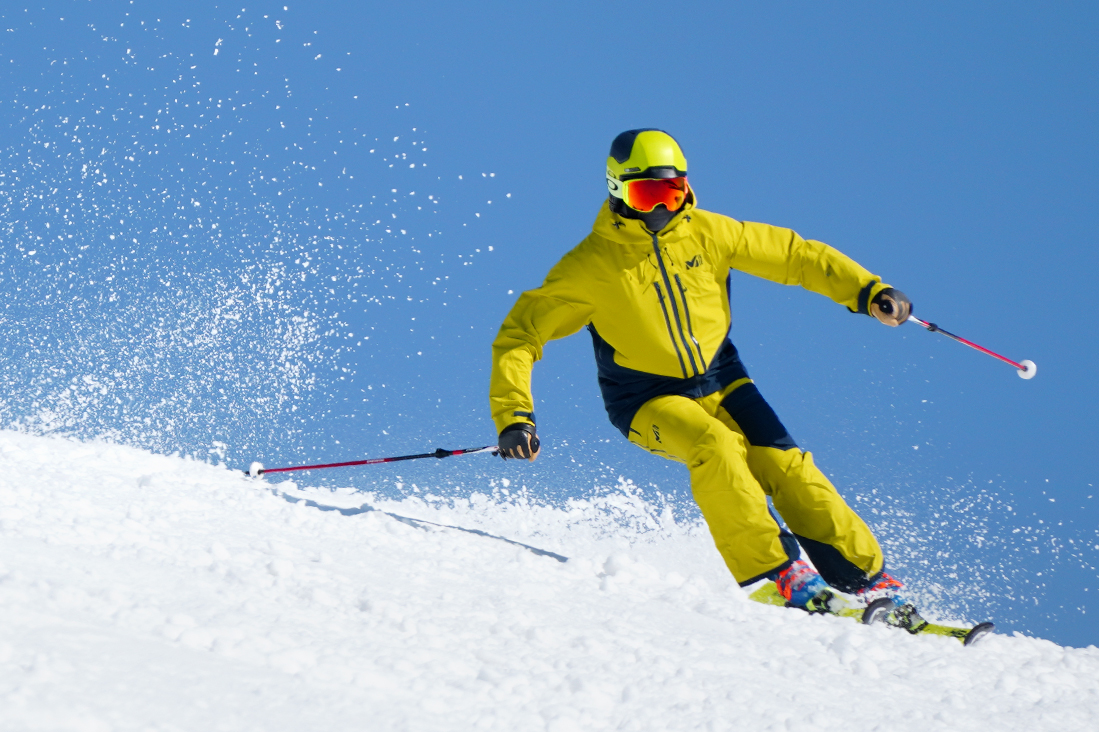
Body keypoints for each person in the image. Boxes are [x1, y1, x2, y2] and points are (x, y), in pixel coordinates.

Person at [489, 129, 912, 611]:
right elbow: (519, 337)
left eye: (673, 192)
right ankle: (779, 574)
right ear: (617, 191)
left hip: (721, 377)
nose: (662, 208)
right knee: (716, 447)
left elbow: (794, 256)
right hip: (645, 399)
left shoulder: (710, 232)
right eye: (646, 194)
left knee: (787, 467)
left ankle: (866, 578)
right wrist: (514, 418)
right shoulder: (589, 267)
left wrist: (866, 290)